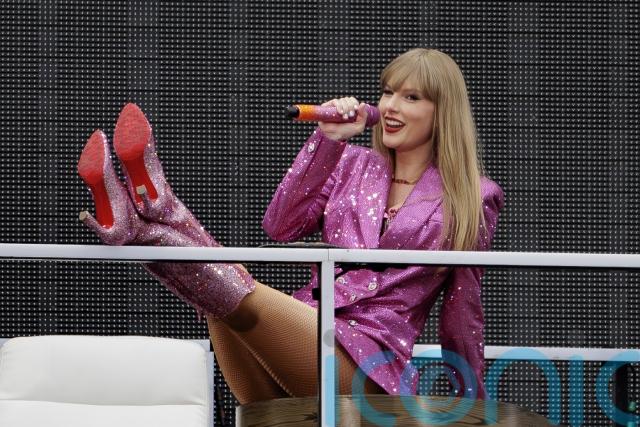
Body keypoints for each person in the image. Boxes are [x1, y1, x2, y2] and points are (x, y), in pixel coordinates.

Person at [77, 48, 503, 404]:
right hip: (305, 331)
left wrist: (473, 406)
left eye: (411, 97)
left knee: (235, 295)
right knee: (218, 304)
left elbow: (462, 310)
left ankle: (154, 211)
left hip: (371, 362)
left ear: (442, 112)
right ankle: (145, 220)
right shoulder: (351, 163)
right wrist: (329, 140)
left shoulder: (473, 196)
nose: (390, 106)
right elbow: (281, 226)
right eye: (388, 92)